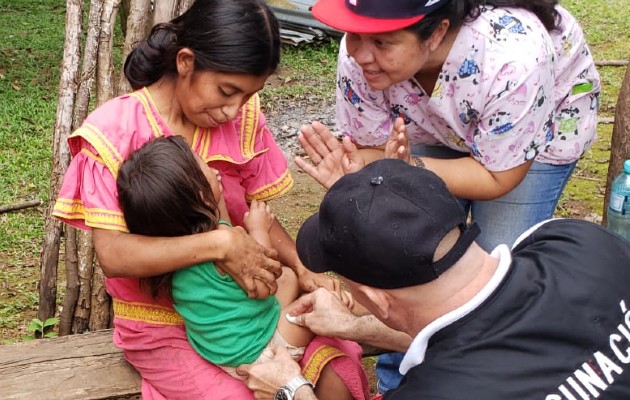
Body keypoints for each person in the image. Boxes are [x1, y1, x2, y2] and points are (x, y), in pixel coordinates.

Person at [51, 0, 369, 398]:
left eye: (248, 95)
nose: (234, 109)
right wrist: (219, 243)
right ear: (186, 62)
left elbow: (259, 215)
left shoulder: (243, 120)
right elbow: (114, 255)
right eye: (226, 91)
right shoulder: (113, 131)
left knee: (339, 357)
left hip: (249, 307)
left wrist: (303, 270)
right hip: (160, 324)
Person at [295, 0, 601, 390]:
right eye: (354, 35)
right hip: (428, 128)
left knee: (495, 270)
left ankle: (501, 379)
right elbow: (372, 149)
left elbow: (496, 176)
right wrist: (375, 172)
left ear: (437, 32)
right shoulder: (362, 52)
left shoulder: (513, 57)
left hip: (526, 134)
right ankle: (404, 377)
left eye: (382, 43)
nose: (359, 53)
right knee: (399, 249)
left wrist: (406, 170)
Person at [237, 158, 630, 399]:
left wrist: (292, 391)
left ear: (378, 298)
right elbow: (494, 335)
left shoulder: (434, 391)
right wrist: (355, 326)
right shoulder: (571, 239)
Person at [116, 135, 351, 384]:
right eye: (205, 167)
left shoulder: (181, 250)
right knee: (318, 306)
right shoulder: (220, 250)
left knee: (290, 277)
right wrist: (259, 229)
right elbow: (263, 286)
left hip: (224, 352)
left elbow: (220, 216)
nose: (215, 170)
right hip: (258, 351)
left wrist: (214, 195)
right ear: (201, 196)